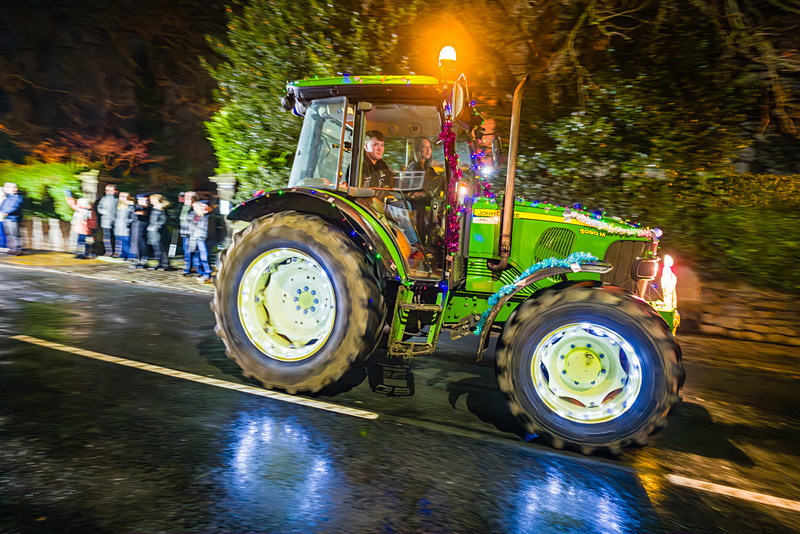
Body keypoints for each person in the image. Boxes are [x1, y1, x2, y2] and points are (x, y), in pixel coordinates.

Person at [186, 200, 214, 283]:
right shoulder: (196, 216)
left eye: (196, 208)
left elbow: (209, 230)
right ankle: (201, 272)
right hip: (196, 238)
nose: (195, 209)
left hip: (203, 239)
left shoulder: (208, 217)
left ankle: (207, 274)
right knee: (197, 257)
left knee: (204, 257)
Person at [64, 190, 94, 259]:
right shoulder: (84, 209)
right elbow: (72, 204)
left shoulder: (83, 210)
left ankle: (82, 254)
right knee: (80, 241)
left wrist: (68, 196)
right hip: (81, 228)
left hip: (82, 228)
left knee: (81, 241)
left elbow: (72, 205)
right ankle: (81, 253)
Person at [147, 194, 172, 270]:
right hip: (153, 231)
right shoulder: (154, 208)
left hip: (159, 232)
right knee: (156, 248)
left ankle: (165, 263)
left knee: (162, 248)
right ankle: (159, 262)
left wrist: (156, 227)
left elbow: (163, 220)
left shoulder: (162, 209)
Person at [0, 182, 24, 255]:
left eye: (7, 187)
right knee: (10, 235)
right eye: (5, 187)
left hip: (13, 218)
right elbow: (3, 206)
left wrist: (6, 212)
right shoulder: (8, 197)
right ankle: (13, 249)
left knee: (14, 235)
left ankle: (17, 249)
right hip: (8, 218)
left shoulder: (16, 197)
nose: (5, 188)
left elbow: (14, 207)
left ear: (14, 189)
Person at [178, 191, 198, 275]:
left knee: (193, 251)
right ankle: (188, 267)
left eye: (188, 198)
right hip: (185, 232)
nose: (185, 199)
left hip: (192, 233)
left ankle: (194, 267)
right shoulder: (185, 207)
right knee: (186, 251)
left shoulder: (196, 208)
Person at [129, 193, 151, 268]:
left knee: (143, 245)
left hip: (144, 230)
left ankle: (143, 259)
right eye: (145, 200)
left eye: (147, 200)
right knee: (136, 245)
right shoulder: (135, 207)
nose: (147, 202)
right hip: (136, 229)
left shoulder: (149, 208)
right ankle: (137, 259)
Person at [97, 184, 118, 256]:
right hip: (106, 220)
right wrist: (105, 212)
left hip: (114, 221)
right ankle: (108, 251)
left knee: (115, 237)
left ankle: (116, 252)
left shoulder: (117, 199)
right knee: (106, 236)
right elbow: (99, 207)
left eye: (113, 190)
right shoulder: (104, 199)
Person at [113, 192, 134, 259]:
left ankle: (130, 256)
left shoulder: (130, 206)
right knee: (120, 241)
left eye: (125, 196)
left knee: (126, 242)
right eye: (121, 196)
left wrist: (127, 222)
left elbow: (132, 216)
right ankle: (122, 255)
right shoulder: (117, 205)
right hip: (118, 226)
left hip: (125, 227)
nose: (122, 198)